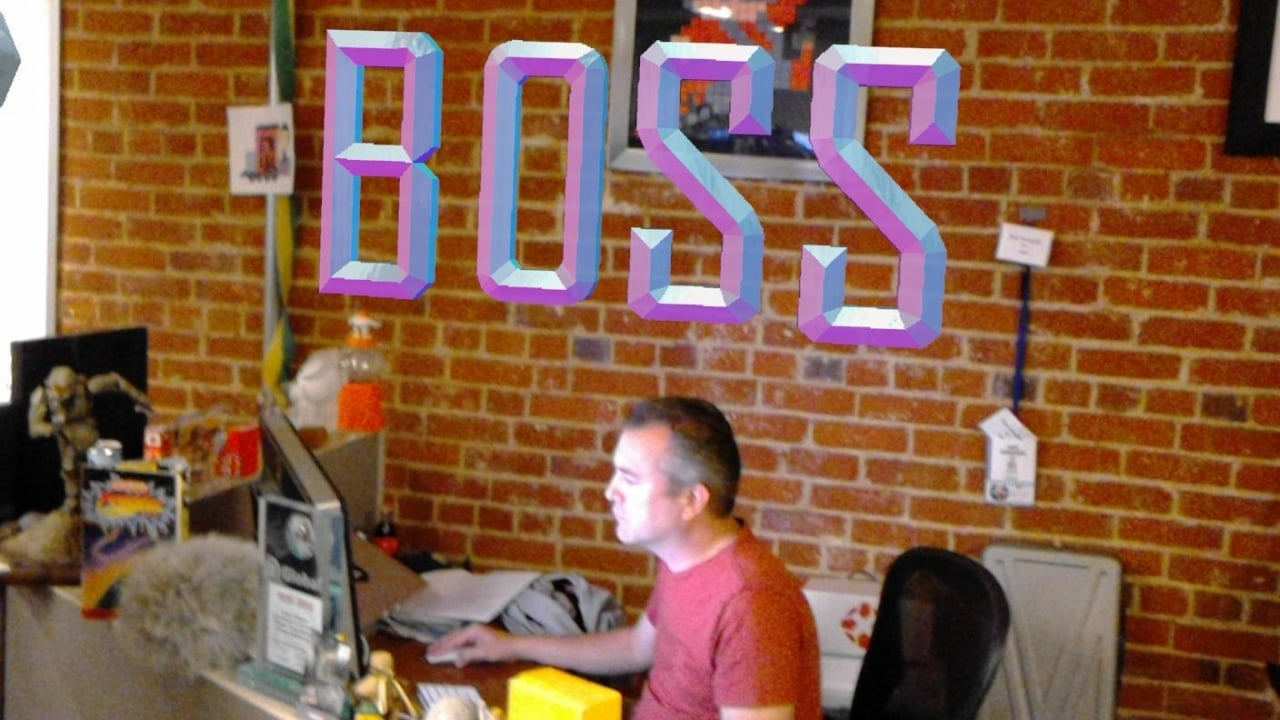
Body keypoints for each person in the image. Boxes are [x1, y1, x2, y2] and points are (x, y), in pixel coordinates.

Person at [430, 397, 821, 720]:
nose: (610, 492)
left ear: (691, 500)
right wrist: (511, 646)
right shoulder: (684, 558)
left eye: (630, 479)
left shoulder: (751, 604)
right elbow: (636, 648)